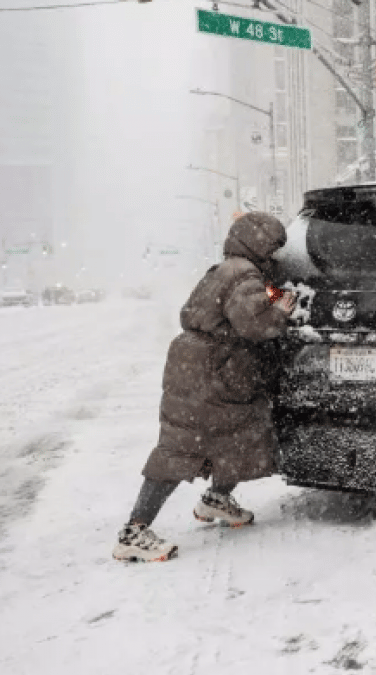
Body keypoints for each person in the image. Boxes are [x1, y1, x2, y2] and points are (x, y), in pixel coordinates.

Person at [113, 212, 297, 563]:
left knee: (242, 437)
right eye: (272, 247)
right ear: (257, 244)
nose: (275, 255)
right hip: (210, 372)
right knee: (181, 449)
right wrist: (281, 312)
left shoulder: (230, 268)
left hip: (209, 367)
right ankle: (133, 532)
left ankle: (216, 500)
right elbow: (254, 324)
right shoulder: (243, 273)